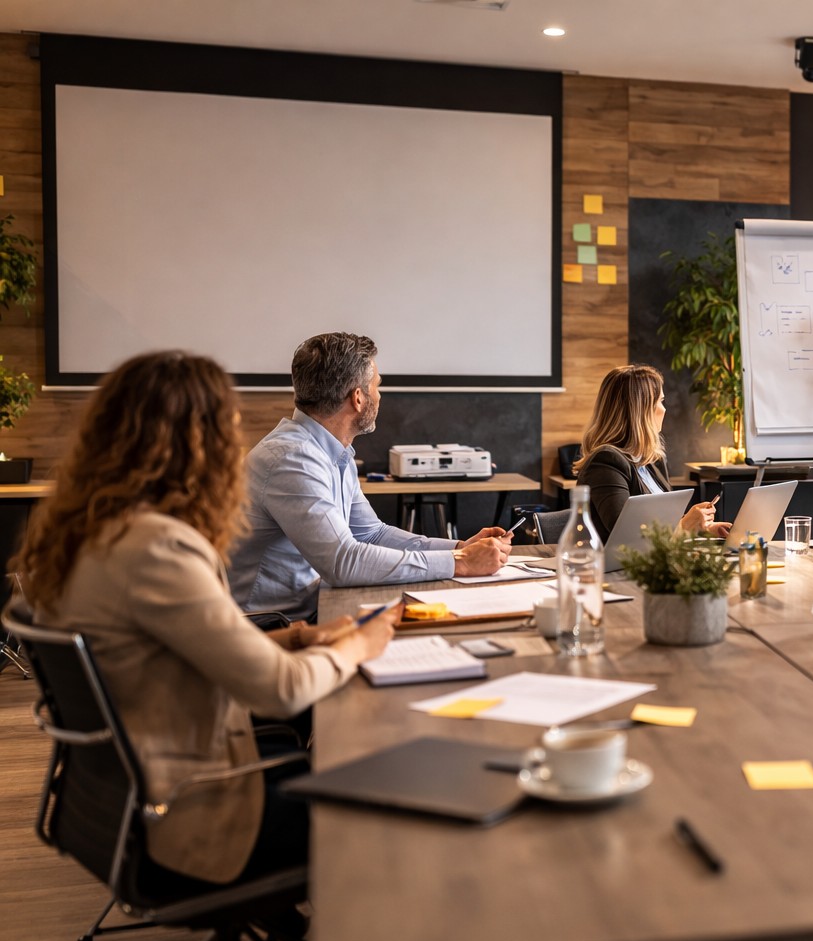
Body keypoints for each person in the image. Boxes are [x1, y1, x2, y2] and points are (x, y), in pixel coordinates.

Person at [9, 351, 396, 888]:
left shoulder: (88, 533)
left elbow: (173, 651)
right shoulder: (158, 548)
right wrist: (362, 642)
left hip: (131, 794)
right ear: (199, 443)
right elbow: (281, 692)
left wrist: (306, 634)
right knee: (391, 794)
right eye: (227, 428)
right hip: (196, 810)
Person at [229, 332, 510, 621]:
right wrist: (459, 563)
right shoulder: (292, 459)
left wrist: (459, 547)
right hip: (272, 628)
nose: (379, 395)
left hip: (312, 610)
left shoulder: (330, 451)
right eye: (377, 386)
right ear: (359, 398)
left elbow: (372, 534)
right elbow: (343, 562)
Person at [574, 364, 731, 542]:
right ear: (641, 410)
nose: (664, 409)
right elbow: (626, 535)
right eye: (660, 401)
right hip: (619, 569)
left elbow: (658, 524)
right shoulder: (606, 461)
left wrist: (701, 528)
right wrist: (685, 525)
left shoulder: (653, 460)